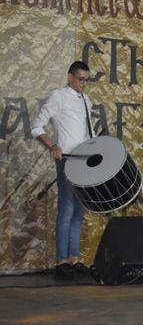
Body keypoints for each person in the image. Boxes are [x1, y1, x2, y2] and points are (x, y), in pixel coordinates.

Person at [30, 61, 94, 279]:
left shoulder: (86, 100)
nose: (83, 84)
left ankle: (74, 259)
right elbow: (36, 126)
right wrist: (52, 146)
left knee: (79, 211)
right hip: (67, 159)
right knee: (66, 208)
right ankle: (61, 261)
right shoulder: (58, 95)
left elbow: (87, 132)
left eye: (86, 80)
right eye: (80, 79)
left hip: (84, 160)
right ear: (70, 77)